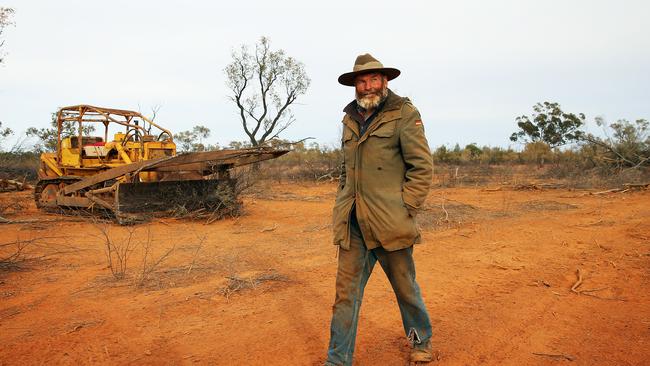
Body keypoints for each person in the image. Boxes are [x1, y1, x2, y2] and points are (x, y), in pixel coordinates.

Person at [325, 53, 434, 366]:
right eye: (361, 81)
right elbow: (347, 171)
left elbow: (421, 167)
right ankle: (338, 359)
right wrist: (341, 203)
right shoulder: (349, 119)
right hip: (354, 225)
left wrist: (406, 207)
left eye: (373, 79)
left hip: (390, 223)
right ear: (355, 85)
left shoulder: (403, 113)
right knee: (345, 296)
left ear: (385, 82)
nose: (367, 86)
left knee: (405, 288)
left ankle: (421, 341)